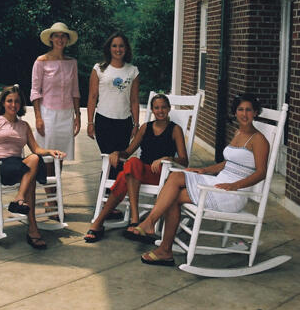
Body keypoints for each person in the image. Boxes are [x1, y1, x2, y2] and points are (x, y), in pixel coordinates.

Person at [128, 93, 270, 266]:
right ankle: (155, 231)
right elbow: (227, 163)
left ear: (255, 112)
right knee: (176, 177)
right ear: (235, 112)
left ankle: (159, 240)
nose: (244, 114)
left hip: (233, 194)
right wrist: (203, 170)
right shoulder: (238, 133)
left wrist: (235, 185)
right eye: (240, 109)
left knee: (173, 197)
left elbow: (262, 172)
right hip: (219, 184)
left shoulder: (259, 139)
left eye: (248, 110)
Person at [84, 94, 188, 242]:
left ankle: (98, 223)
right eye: (156, 107)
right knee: (132, 163)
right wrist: (117, 153)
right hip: (140, 172)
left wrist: (168, 158)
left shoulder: (175, 130)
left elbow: (184, 161)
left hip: (160, 174)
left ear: (169, 109)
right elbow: (128, 151)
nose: (160, 111)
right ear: (152, 110)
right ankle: (135, 219)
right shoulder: (146, 127)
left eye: (164, 107)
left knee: (124, 175)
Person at [0, 85, 66, 249]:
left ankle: (23, 208)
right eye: (9, 101)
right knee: (31, 171)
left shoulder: (24, 126)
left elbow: (36, 149)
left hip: (17, 167)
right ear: (3, 103)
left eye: (17, 101)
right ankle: (31, 226)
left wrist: (50, 150)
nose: (13, 105)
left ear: (21, 104)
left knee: (33, 164)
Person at [87, 32, 140, 220]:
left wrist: (136, 123)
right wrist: (90, 121)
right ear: (109, 48)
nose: (118, 49)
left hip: (124, 122)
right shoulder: (99, 69)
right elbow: (92, 96)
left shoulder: (132, 71)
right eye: (114, 46)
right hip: (103, 121)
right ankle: (107, 203)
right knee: (110, 161)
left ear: (126, 49)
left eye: (121, 46)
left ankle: (109, 203)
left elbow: (134, 100)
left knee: (119, 163)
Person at [31, 22, 80, 217]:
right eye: (56, 36)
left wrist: (78, 115)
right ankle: (51, 201)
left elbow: (75, 90)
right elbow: (35, 90)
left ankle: (55, 197)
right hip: (47, 113)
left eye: (63, 36)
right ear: (51, 39)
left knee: (59, 159)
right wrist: (38, 117)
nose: (60, 39)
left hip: (66, 114)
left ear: (67, 40)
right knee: (48, 158)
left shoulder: (72, 63)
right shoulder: (40, 61)